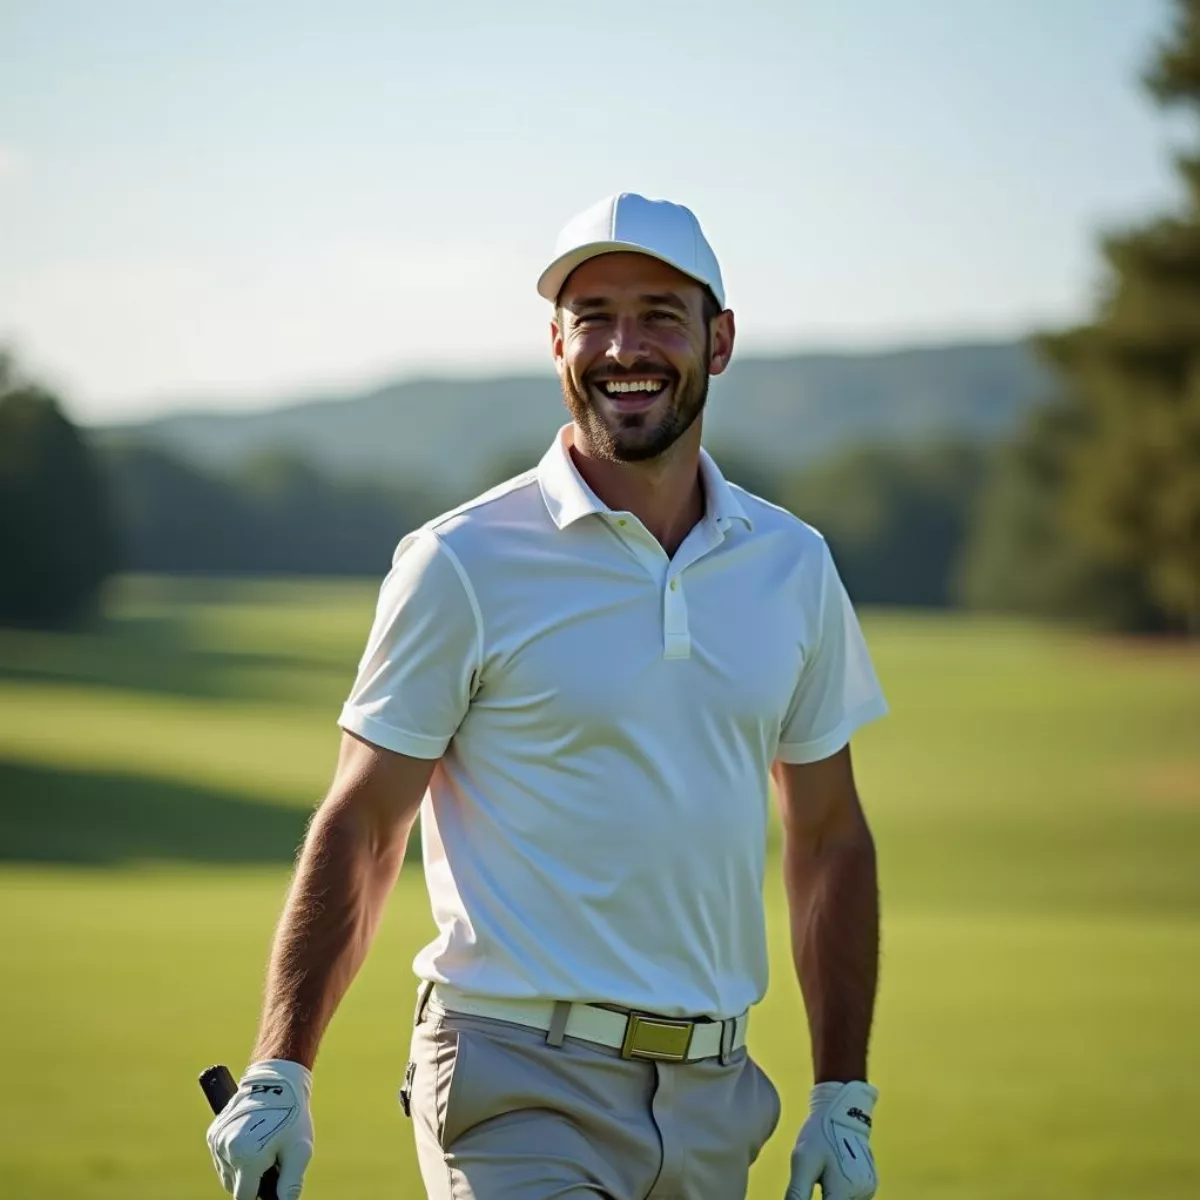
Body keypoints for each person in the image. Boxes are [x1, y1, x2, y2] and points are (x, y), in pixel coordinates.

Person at [206, 192, 888, 1200]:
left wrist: (843, 1093)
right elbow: (365, 826)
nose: (625, 346)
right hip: (513, 1084)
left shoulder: (792, 564)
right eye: (594, 316)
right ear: (557, 343)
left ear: (721, 339)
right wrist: (281, 1066)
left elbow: (830, 837)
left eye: (660, 313)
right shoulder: (461, 560)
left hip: (717, 1099)